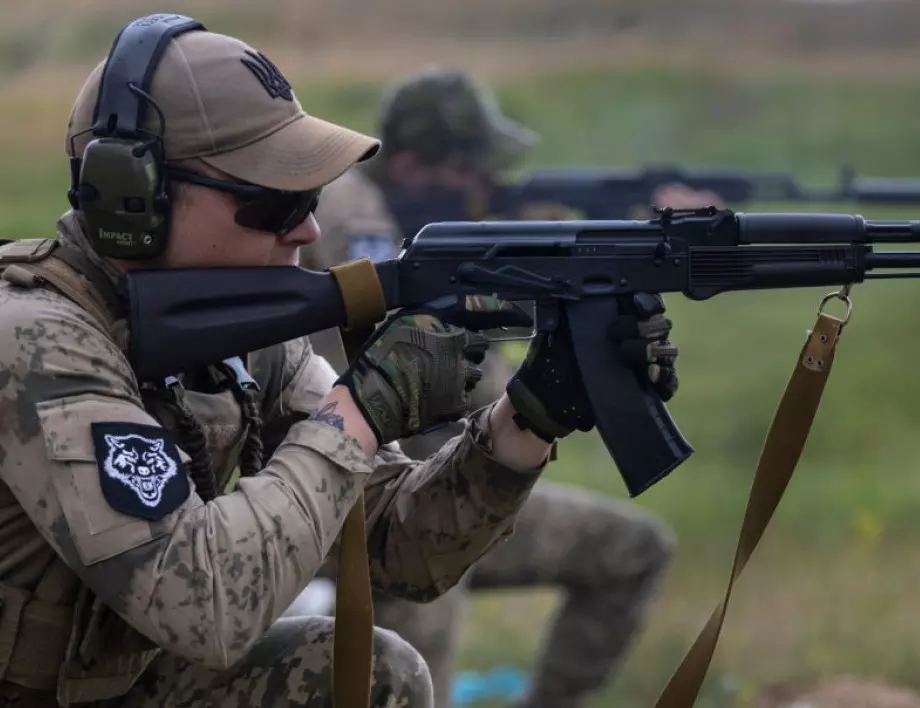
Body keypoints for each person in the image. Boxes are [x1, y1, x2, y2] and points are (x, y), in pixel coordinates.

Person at [0, 17, 682, 708]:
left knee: (368, 669)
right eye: (277, 202)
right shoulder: (34, 342)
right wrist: (356, 413)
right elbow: (203, 607)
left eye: (312, 199)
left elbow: (400, 546)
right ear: (132, 201)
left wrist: (528, 418)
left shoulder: (240, 336)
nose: (309, 230)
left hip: (105, 687)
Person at [300, 67, 688, 708]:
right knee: (422, 618)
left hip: (459, 484)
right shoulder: (345, 219)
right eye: (472, 171)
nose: (487, 188)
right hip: (361, 506)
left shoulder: (425, 222)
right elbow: (396, 364)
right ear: (418, 164)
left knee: (633, 551)